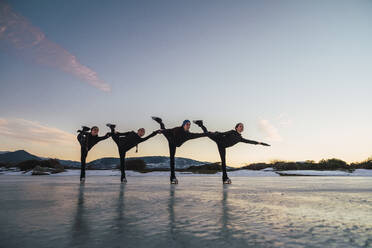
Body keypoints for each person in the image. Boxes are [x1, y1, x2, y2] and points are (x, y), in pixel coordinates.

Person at [193, 120, 270, 184]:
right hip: (219, 139)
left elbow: (249, 141)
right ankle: (200, 124)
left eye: (242, 126)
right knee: (207, 133)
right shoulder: (232, 132)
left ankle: (225, 179)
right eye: (240, 126)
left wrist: (260, 143)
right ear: (236, 128)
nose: (242, 127)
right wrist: (215, 133)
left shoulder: (240, 138)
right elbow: (223, 133)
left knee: (223, 162)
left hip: (222, 146)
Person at [152, 117, 209, 184]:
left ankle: (160, 123)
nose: (188, 126)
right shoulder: (177, 129)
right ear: (183, 124)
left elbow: (199, 135)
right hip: (171, 139)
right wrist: (160, 131)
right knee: (172, 159)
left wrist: (209, 133)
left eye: (189, 125)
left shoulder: (188, 134)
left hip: (176, 143)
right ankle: (172, 177)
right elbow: (168, 130)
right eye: (187, 124)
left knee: (206, 134)